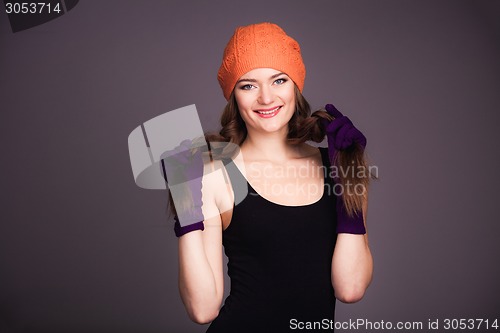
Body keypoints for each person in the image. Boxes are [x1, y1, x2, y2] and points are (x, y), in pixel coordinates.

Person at [168, 22, 374, 332]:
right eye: (248, 85)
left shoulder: (336, 166)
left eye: (279, 80)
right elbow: (203, 309)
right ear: (233, 95)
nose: (266, 97)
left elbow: (351, 288)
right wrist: (186, 204)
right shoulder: (217, 174)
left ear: (295, 86)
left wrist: (350, 173)